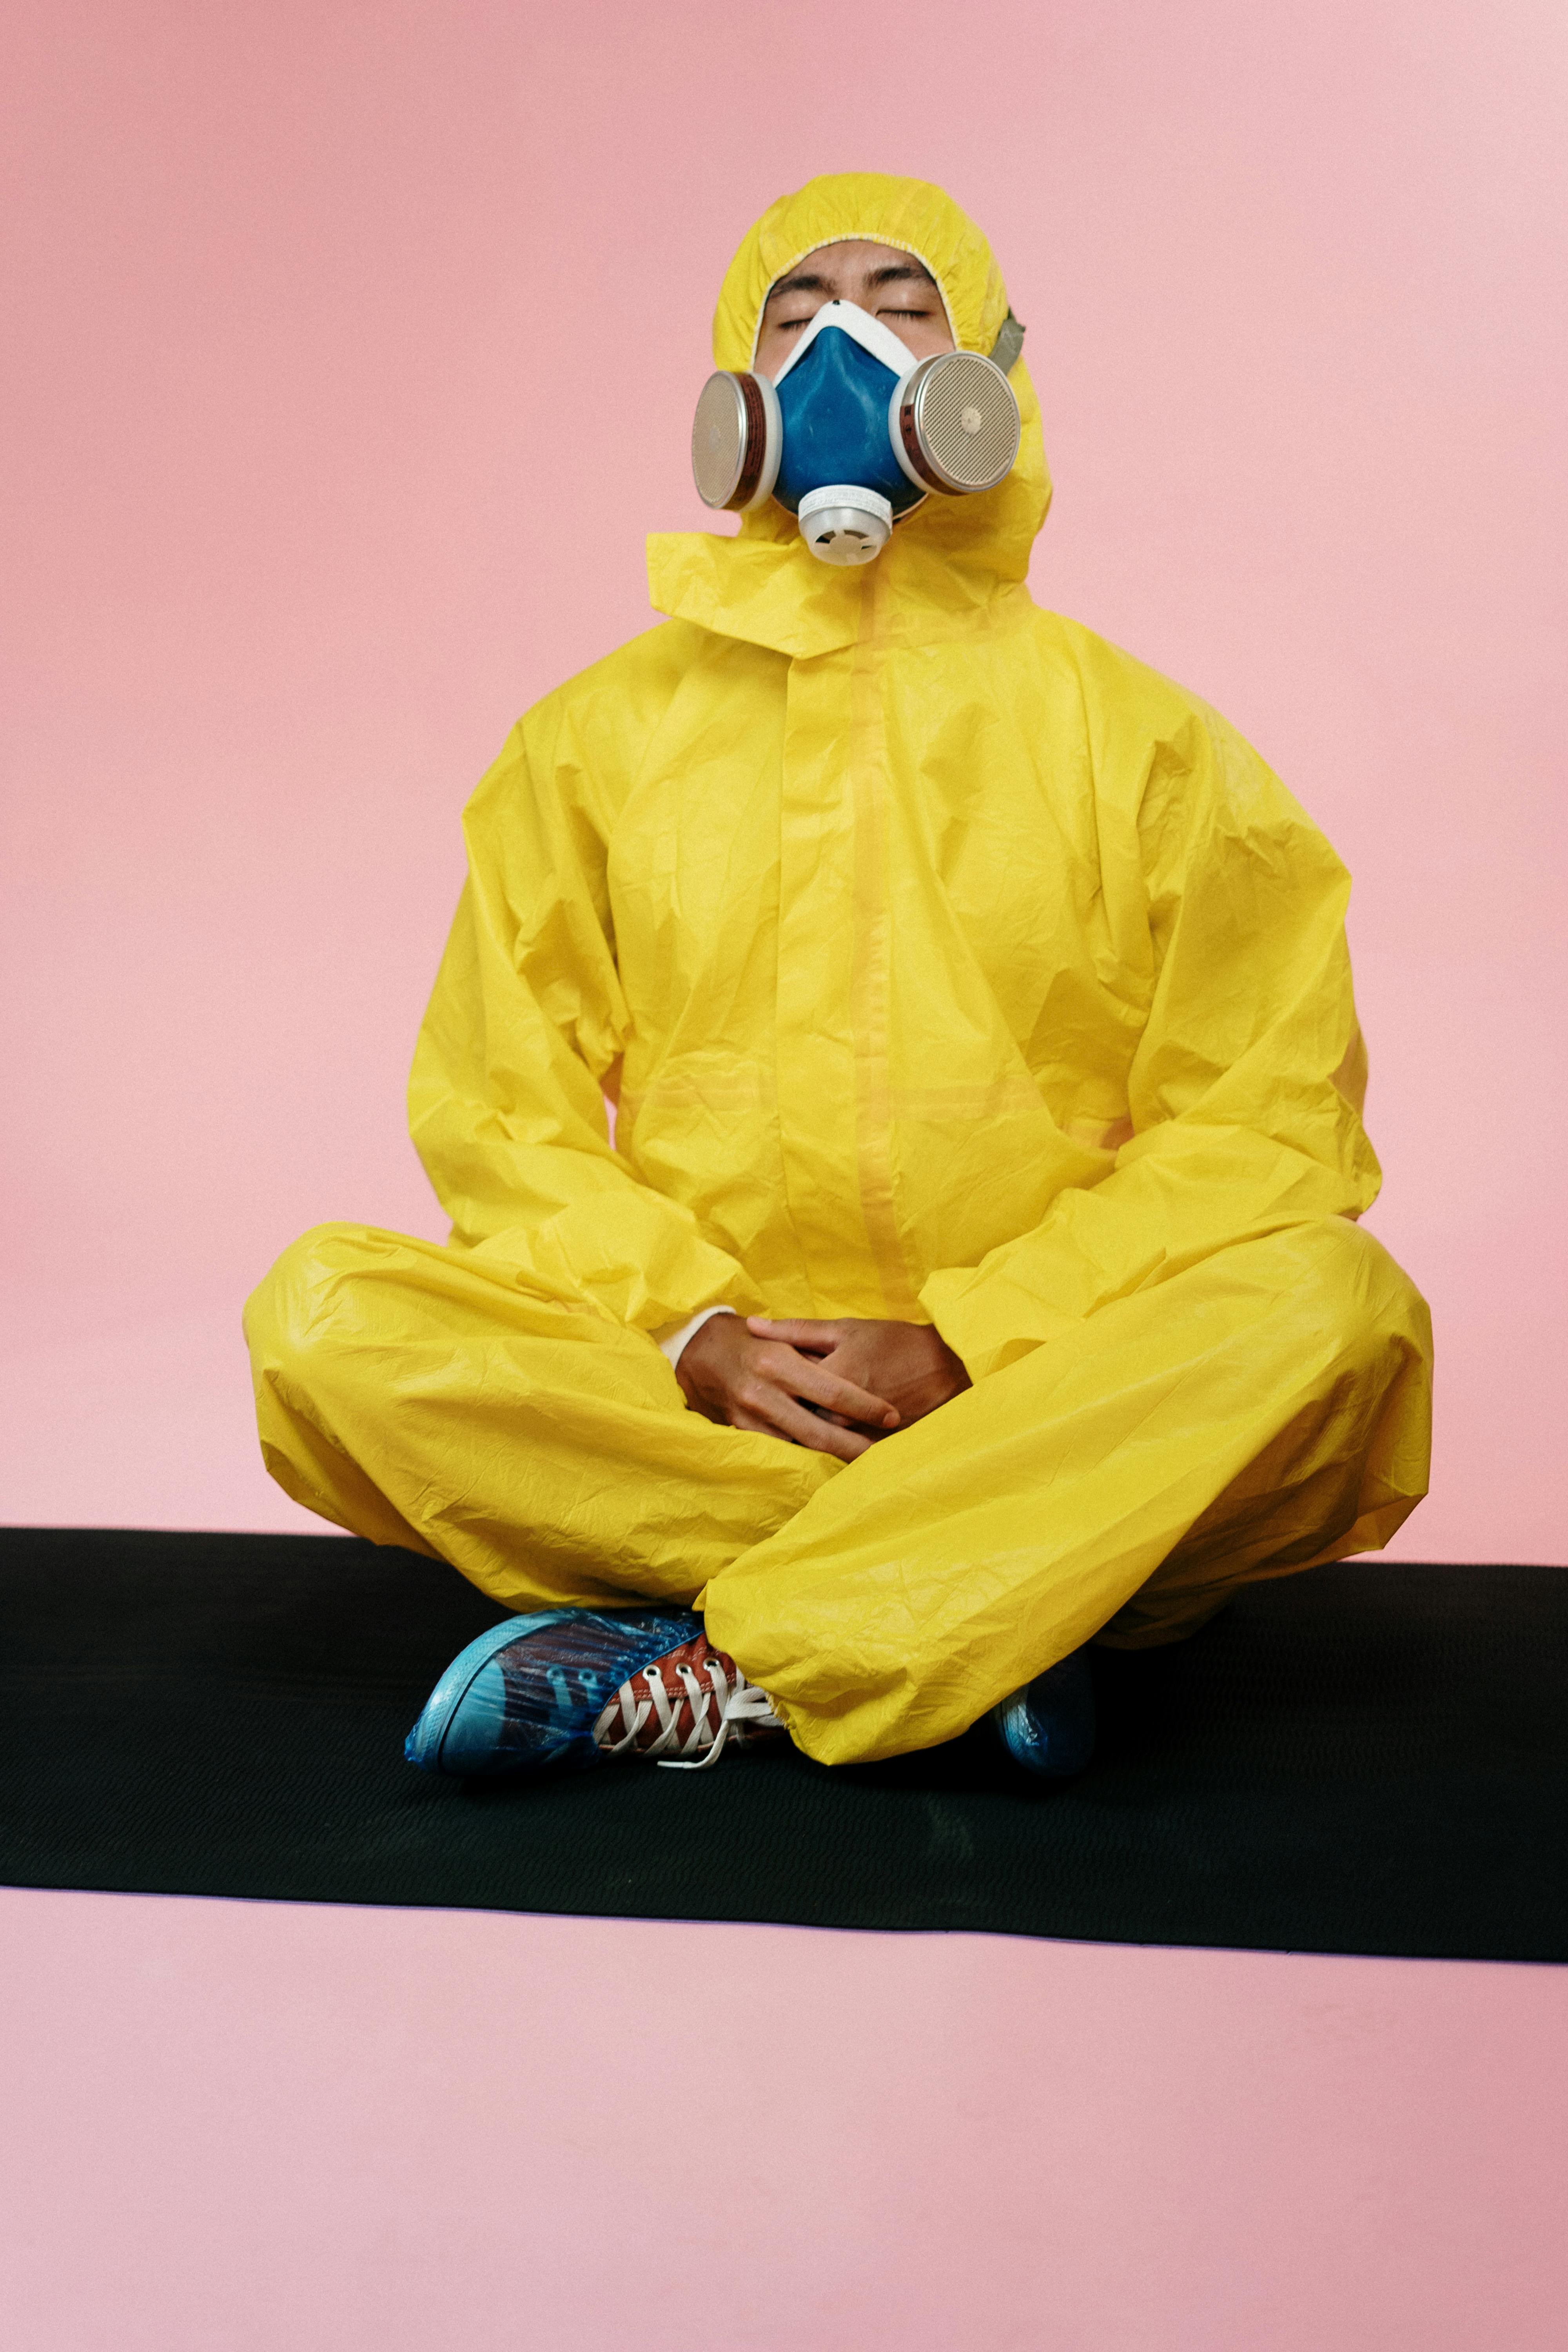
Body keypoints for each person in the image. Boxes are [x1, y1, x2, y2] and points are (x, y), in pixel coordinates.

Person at [245, 172, 1433, 1786]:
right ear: (733, 393)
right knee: (325, 1319)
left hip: (1038, 1382)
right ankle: (978, 1604)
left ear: (988, 374)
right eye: (796, 317)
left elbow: (1267, 1129)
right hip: (725, 1404)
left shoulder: (1149, 747)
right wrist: (693, 1337)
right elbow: (499, 1112)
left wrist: (977, 1336)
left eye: (900, 306)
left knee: (1334, 1313)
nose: (842, 357)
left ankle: (728, 1653)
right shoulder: (591, 741)